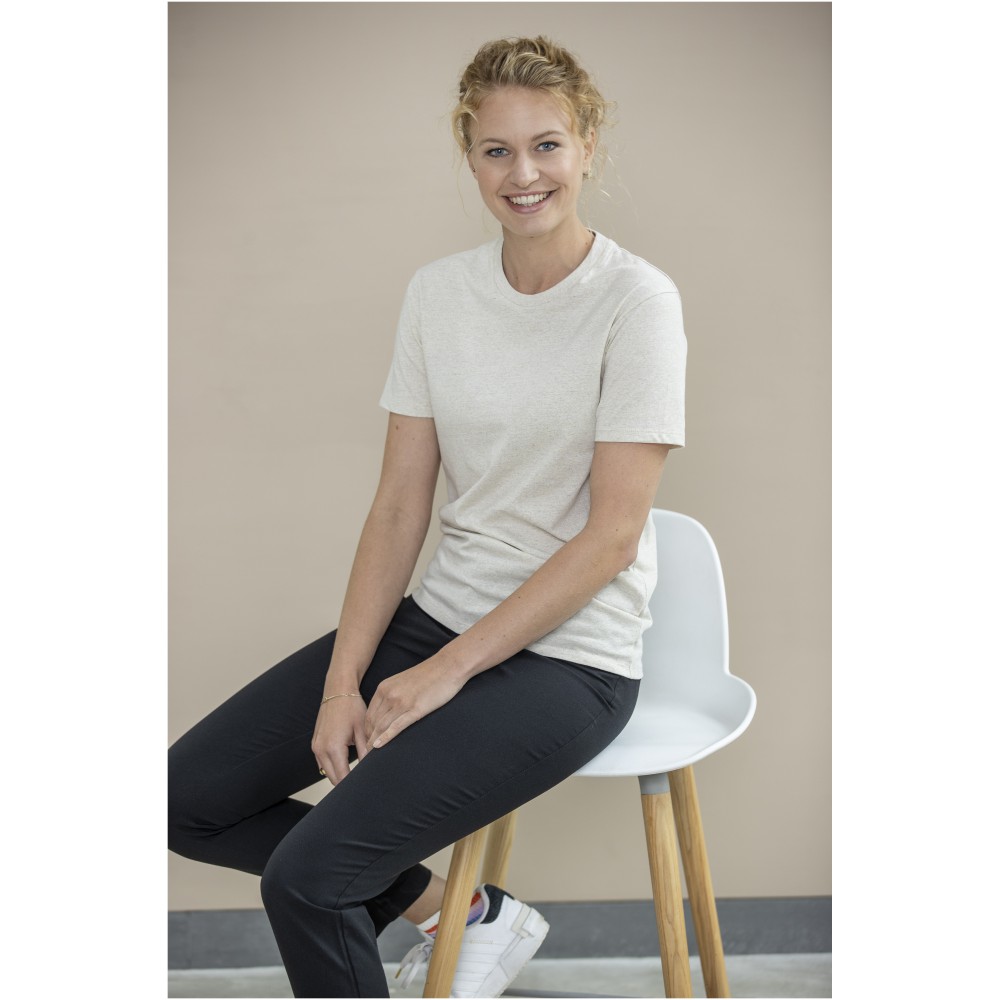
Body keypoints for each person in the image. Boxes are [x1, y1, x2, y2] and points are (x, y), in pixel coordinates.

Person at [168, 35, 686, 999]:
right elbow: (401, 504)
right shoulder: (440, 295)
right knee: (184, 799)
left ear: (587, 146)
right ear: (469, 157)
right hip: (440, 615)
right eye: (497, 151)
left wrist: (443, 675)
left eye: (547, 145)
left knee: (310, 880)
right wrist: (345, 683)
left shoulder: (636, 302)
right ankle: (464, 912)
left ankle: (446, 913)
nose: (523, 174)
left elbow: (612, 537)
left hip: (572, 658)